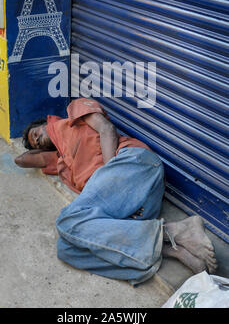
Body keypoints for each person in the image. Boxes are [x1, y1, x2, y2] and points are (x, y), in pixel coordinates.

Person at [15, 98, 217, 286]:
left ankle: (173, 232)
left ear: (48, 121)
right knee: (66, 249)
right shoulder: (61, 163)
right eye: (36, 143)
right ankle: (174, 250)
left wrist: (109, 176)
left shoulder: (74, 114)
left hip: (135, 164)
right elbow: (22, 160)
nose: (38, 139)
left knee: (66, 221)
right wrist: (40, 147)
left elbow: (107, 129)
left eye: (37, 134)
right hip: (134, 203)